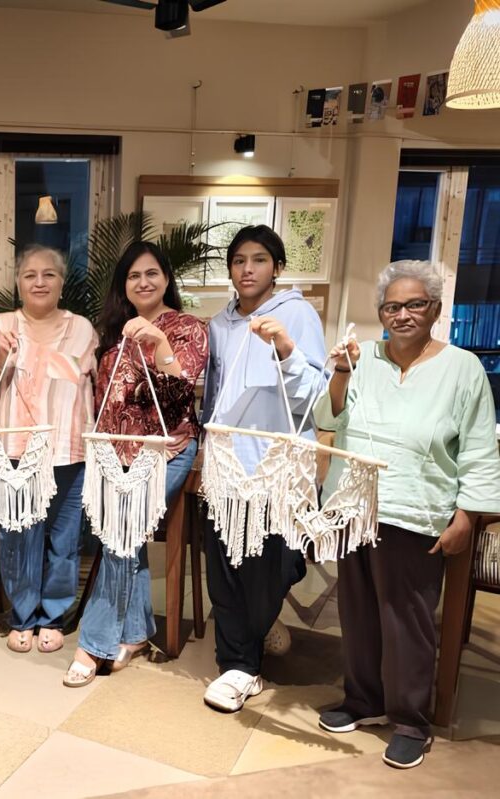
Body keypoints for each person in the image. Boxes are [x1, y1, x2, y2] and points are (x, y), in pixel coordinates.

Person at [314, 260, 500, 769]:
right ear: (380, 314)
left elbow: (480, 448)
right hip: (355, 504)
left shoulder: (463, 367)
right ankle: (363, 700)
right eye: (392, 306)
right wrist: (341, 371)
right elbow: (328, 417)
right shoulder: (362, 357)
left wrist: (468, 515)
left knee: (409, 621)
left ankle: (411, 720)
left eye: (415, 304)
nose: (403, 314)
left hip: (418, 510)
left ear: (435, 309)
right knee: (356, 612)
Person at [64, 242, 208, 686]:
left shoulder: (188, 328)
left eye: (151, 273)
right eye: (133, 276)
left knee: (120, 531)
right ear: (122, 285)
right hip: (111, 454)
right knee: (123, 535)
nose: (142, 282)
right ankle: (137, 633)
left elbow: (185, 388)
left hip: (166, 451)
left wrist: (161, 344)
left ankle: (94, 643)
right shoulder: (112, 332)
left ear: (166, 277)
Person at [200, 225, 327, 713]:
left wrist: (288, 350)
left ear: (276, 266)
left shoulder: (295, 313)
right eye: (238, 261)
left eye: (257, 259)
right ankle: (239, 666)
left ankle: (260, 621)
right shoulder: (219, 323)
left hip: (275, 470)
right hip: (227, 467)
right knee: (226, 570)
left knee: (273, 566)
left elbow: (313, 393)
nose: (247, 269)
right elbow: (215, 397)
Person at [0, 244, 97, 655]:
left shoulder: (81, 327)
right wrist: (2, 354)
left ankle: (53, 616)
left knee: (64, 537)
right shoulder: (1, 324)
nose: (39, 282)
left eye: (49, 274)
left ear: (62, 282)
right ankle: (22, 615)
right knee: (17, 534)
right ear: (18, 283)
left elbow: (87, 384)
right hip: (15, 449)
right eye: (30, 275)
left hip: (67, 447)